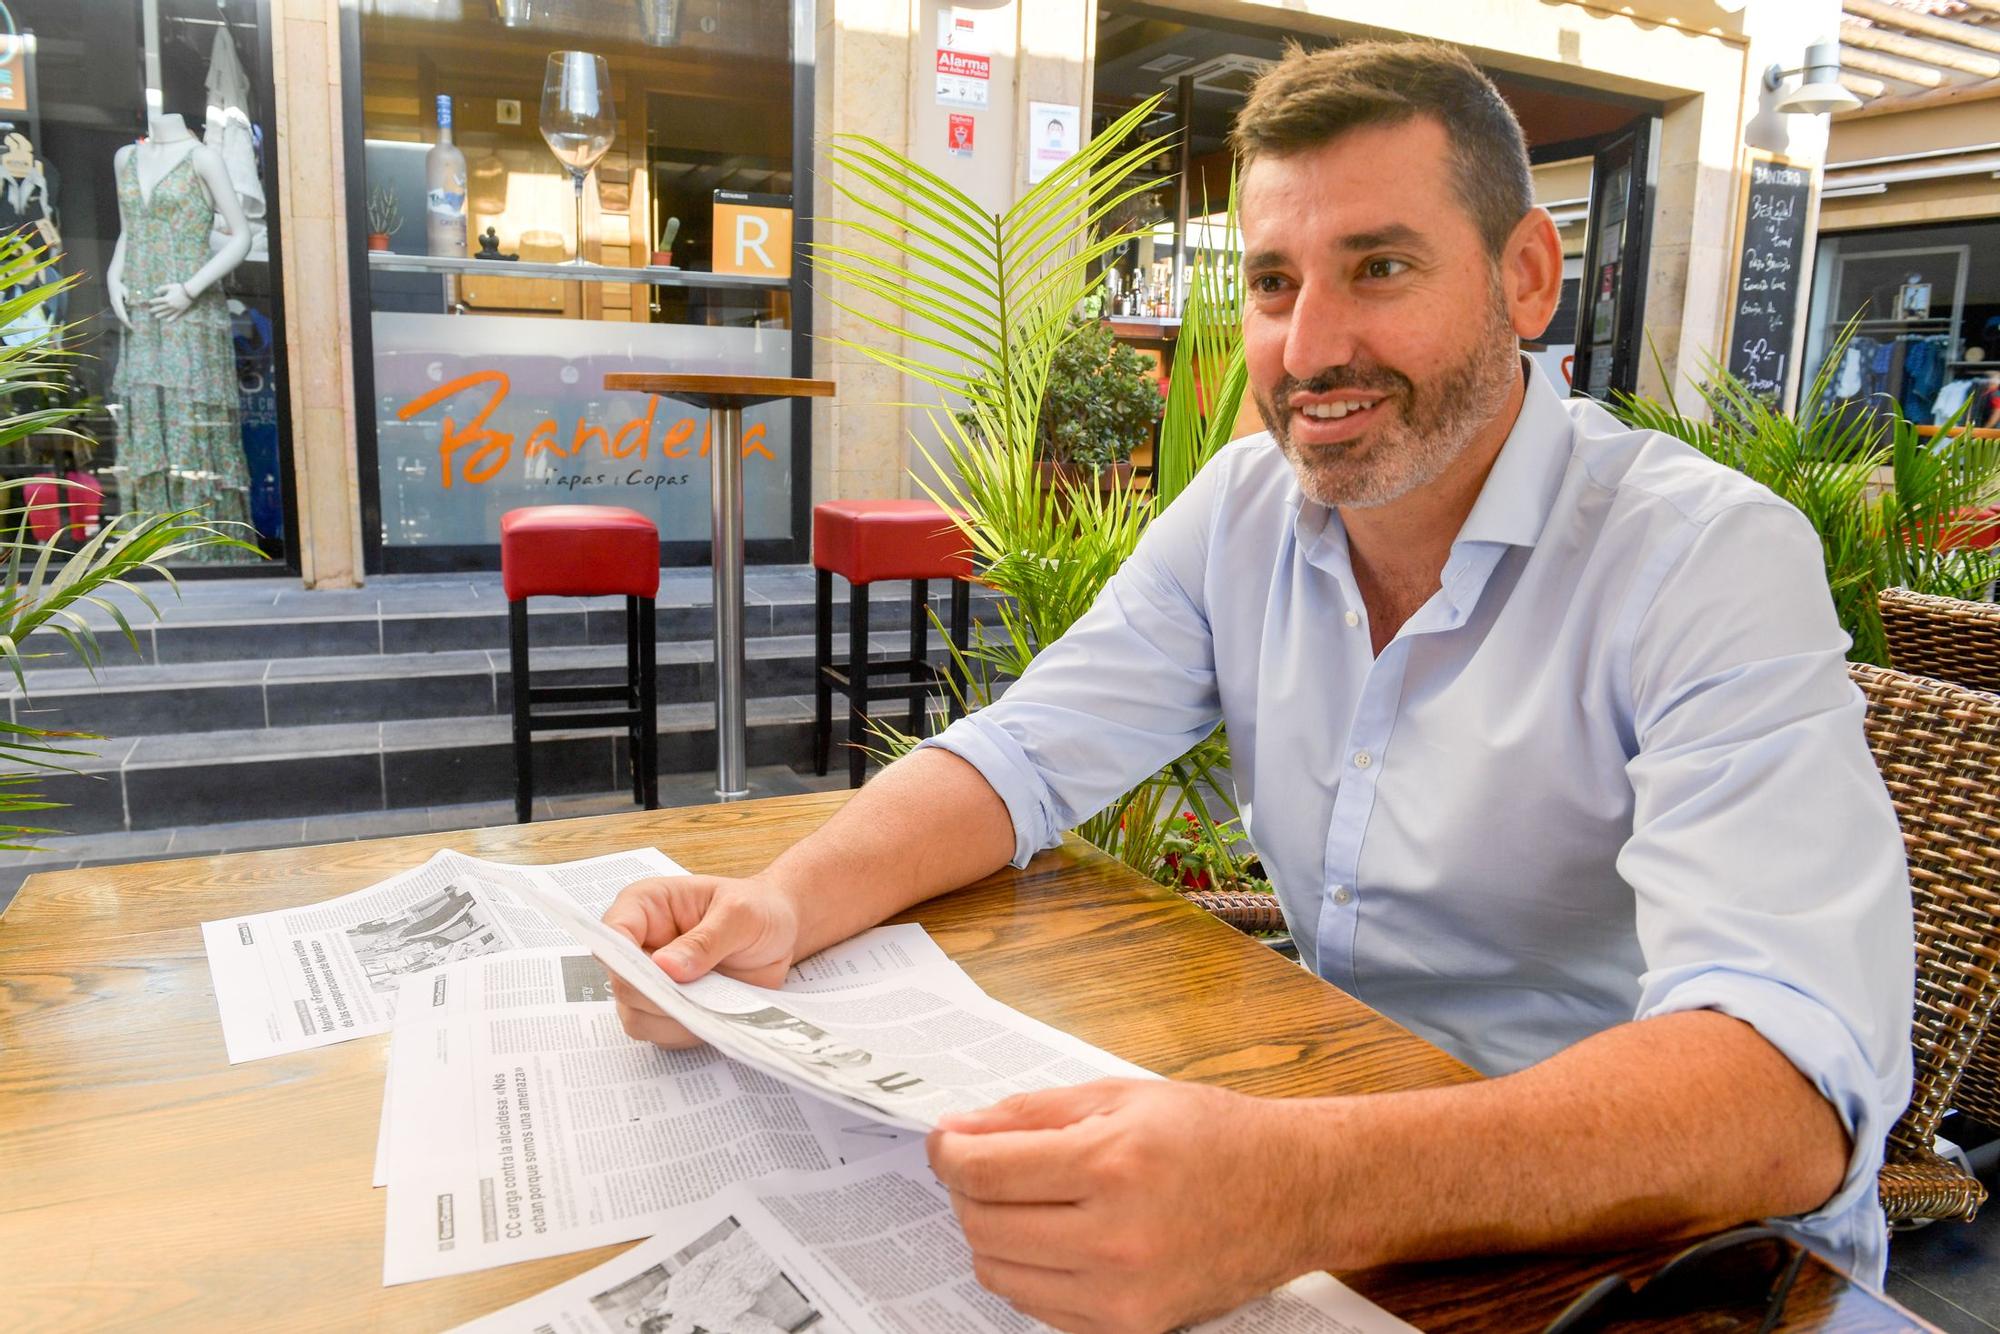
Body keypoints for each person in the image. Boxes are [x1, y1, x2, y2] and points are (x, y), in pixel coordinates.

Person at [604, 40, 1912, 1333]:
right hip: (1357, 1173)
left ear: (1525, 278)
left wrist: (1298, 1184)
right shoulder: (1244, 511)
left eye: (1380, 266)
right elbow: (1025, 754)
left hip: (1688, 1267)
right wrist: (781, 900)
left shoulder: (1704, 559)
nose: (1310, 345)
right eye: (1276, 283)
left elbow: (1785, 1089)